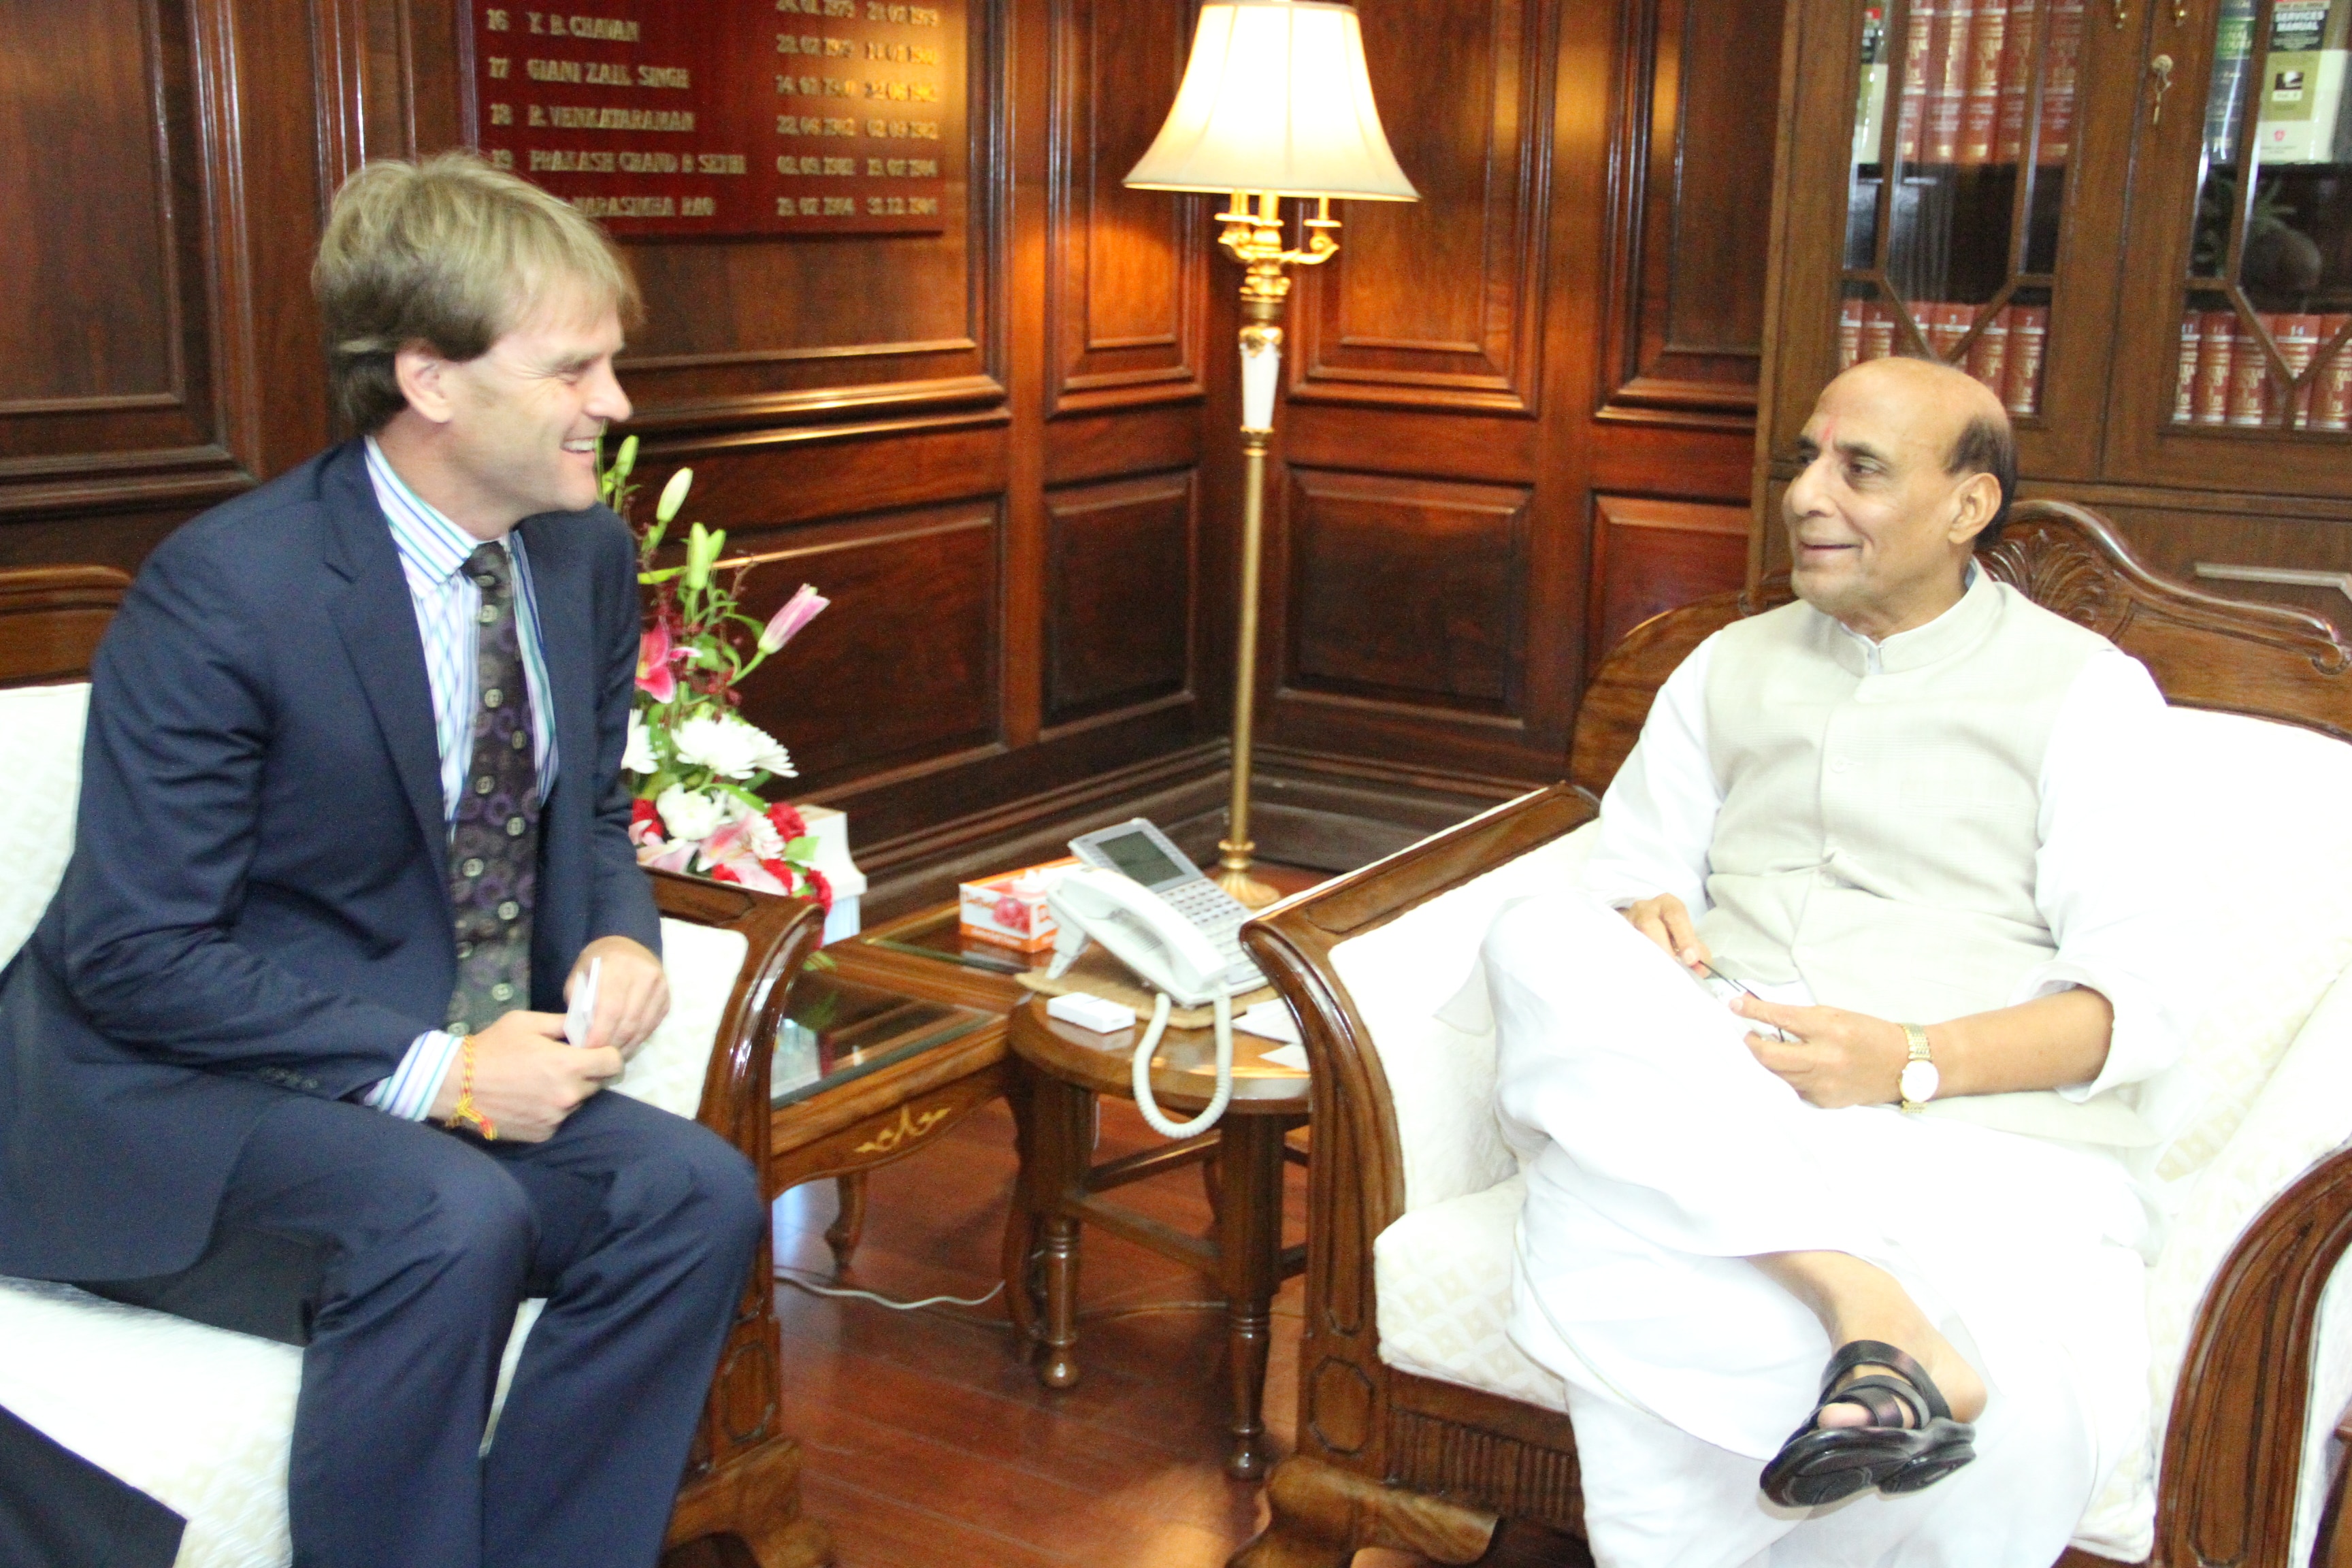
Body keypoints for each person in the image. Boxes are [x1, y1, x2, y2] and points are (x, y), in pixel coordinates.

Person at [0, 152, 765, 1568]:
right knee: (447, 1215)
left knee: (694, 1195)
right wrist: (448, 1074)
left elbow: (585, 813)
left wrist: (618, 940)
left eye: (615, 363)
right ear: (431, 382)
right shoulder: (229, 591)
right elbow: (132, 953)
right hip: (177, 1096)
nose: (616, 404)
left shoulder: (579, 555)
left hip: (414, 1067)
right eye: (575, 368)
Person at [1487, 356, 2182, 1567]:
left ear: (1968, 508)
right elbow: (1626, 868)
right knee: (1533, 931)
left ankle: (1863, 1328)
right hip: (1722, 1079)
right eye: (1806, 459)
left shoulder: (2091, 697)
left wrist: (1906, 1061)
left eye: (1858, 469)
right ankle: (1868, 1302)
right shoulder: (1724, 664)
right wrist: (1640, 914)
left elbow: (2134, 1012)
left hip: (1959, 1119)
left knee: (2024, 1406)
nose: (1806, 495)